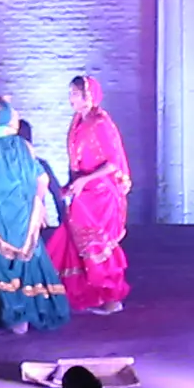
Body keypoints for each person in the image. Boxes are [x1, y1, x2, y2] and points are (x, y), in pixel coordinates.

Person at [0, 97, 72, 337]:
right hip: (23, 218)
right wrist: (38, 205)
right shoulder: (24, 147)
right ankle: (32, 312)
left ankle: (10, 315)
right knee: (28, 263)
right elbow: (42, 179)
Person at [57, 71, 135, 317]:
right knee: (77, 241)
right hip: (83, 194)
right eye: (70, 93)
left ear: (88, 95)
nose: (71, 98)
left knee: (99, 244)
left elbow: (113, 162)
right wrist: (72, 184)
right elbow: (75, 163)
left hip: (100, 194)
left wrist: (85, 181)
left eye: (75, 94)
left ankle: (113, 295)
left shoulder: (100, 122)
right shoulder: (77, 122)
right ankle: (87, 293)